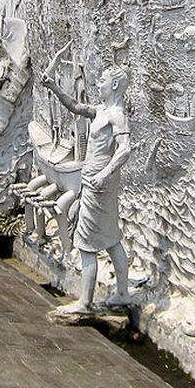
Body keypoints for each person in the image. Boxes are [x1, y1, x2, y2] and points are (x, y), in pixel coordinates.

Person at [40, 66, 133, 313]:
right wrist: (53, 87)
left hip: (99, 184)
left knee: (86, 243)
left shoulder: (117, 115)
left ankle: (85, 302)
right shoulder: (100, 111)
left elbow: (125, 149)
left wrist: (103, 174)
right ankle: (123, 292)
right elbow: (76, 107)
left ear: (114, 85)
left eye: (101, 79)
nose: (97, 84)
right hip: (94, 180)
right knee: (112, 238)